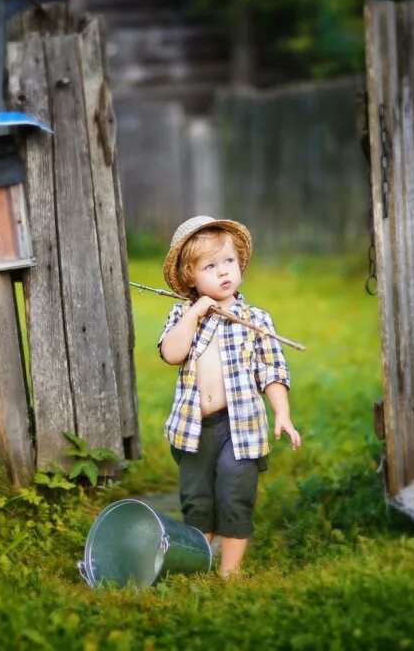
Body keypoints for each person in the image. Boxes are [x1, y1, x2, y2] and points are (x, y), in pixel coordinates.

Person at [158, 215, 301, 577]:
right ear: (190, 276)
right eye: (210, 266)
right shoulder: (181, 314)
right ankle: (196, 562)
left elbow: (272, 371)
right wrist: (194, 313)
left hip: (240, 425)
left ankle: (229, 572)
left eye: (229, 262)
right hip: (194, 429)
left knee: (235, 493)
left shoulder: (255, 319)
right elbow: (171, 353)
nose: (224, 272)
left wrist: (281, 413)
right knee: (197, 500)